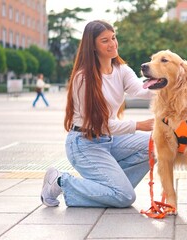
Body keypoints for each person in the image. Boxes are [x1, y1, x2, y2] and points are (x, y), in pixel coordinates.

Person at [40, 20, 154, 208]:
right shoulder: (83, 78)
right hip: (84, 144)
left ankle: (108, 188)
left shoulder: (121, 70)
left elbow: (142, 90)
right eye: (105, 40)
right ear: (92, 46)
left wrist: (169, 81)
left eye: (114, 38)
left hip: (109, 140)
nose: (113, 44)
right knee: (125, 197)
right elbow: (99, 124)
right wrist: (140, 124)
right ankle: (60, 181)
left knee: (155, 144)